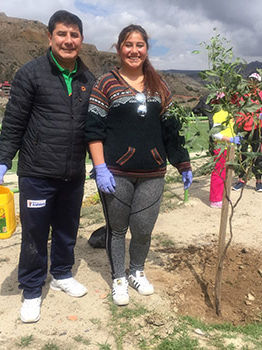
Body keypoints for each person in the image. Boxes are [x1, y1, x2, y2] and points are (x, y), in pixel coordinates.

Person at [0, 10, 95, 323]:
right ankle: (32, 289)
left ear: (81, 40)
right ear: (49, 38)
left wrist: (100, 162)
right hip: (37, 172)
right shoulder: (30, 74)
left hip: (73, 172)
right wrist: (3, 159)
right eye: (62, 34)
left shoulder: (88, 78)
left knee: (66, 229)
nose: (68, 40)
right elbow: (15, 121)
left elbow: (94, 126)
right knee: (35, 234)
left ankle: (62, 274)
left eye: (74, 35)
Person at [85, 24, 192, 306]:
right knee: (117, 229)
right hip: (116, 173)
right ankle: (118, 278)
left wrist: (183, 163)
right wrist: (100, 168)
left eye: (139, 45)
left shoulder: (160, 86)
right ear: (119, 48)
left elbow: (171, 129)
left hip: (153, 172)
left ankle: (136, 272)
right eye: (128, 45)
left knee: (143, 229)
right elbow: (93, 130)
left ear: (146, 49)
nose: (134, 50)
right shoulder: (105, 83)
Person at [232, 72, 262, 192]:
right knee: (242, 154)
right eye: (250, 79)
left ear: (258, 83)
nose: (251, 82)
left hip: (257, 129)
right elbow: (232, 101)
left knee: (257, 155)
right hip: (242, 129)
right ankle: (241, 179)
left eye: (254, 80)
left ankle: (259, 181)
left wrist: (261, 116)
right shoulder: (241, 94)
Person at [209, 108, 241, 208]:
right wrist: (230, 139)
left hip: (230, 148)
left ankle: (223, 196)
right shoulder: (220, 113)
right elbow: (215, 133)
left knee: (226, 173)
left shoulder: (231, 112)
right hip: (221, 147)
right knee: (219, 172)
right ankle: (215, 199)